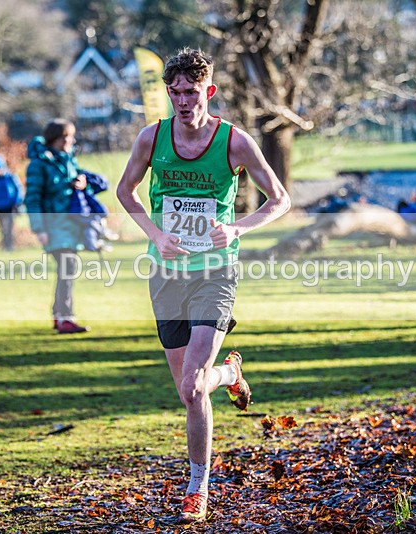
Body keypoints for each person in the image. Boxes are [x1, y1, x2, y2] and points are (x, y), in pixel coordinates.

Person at [116, 48, 290, 523]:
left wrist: (238, 228)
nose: (181, 100)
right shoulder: (152, 138)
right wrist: (155, 234)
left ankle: (198, 487)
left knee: (194, 387)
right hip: (166, 274)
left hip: (216, 271)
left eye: (190, 92)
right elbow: (124, 191)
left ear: (208, 91)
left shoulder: (234, 142)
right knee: (188, 392)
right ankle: (231, 375)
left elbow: (280, 199)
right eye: (173, 92)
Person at [25, 119, 95, 334]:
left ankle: (59, 315)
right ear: (56, 139)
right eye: (67, 137)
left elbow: (81, 186)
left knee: (68, 269)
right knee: (68, 267)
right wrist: (39, 229)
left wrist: (82, 183)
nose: (71, 141)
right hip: (53, 225)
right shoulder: (38, 165)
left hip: (71, 225)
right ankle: (65, 316)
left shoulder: (69, 160)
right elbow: (32, 198)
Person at [68, 168, 116, 254]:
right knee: (91, 224)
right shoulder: (65, 179)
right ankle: (102, 233)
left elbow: (103, 184)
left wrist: (86, 178)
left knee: (90, 227)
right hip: (77, 213)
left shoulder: (83, 178)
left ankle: (97, 241)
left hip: (89, 212)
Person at [0, 155, 25, 251]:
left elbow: (19, 189)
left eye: (0, 168)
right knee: (2, 227)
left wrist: (17, 202)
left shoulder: (10, 176)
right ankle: (5, 245)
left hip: (10, 206)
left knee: (9, 227)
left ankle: (10, 246)